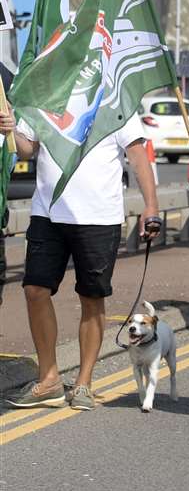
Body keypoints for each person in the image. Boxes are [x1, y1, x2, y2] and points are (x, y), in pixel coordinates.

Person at [3, 99, 161, 411]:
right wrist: (10, 128)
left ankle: (84, 382)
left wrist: (151, 207)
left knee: (91, 297)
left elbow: (138, 156)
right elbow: (25, 150)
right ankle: (48, 379)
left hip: (98, 216)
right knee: (35, 289)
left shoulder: (115, 96)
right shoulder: (46, 94)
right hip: (47, 213)